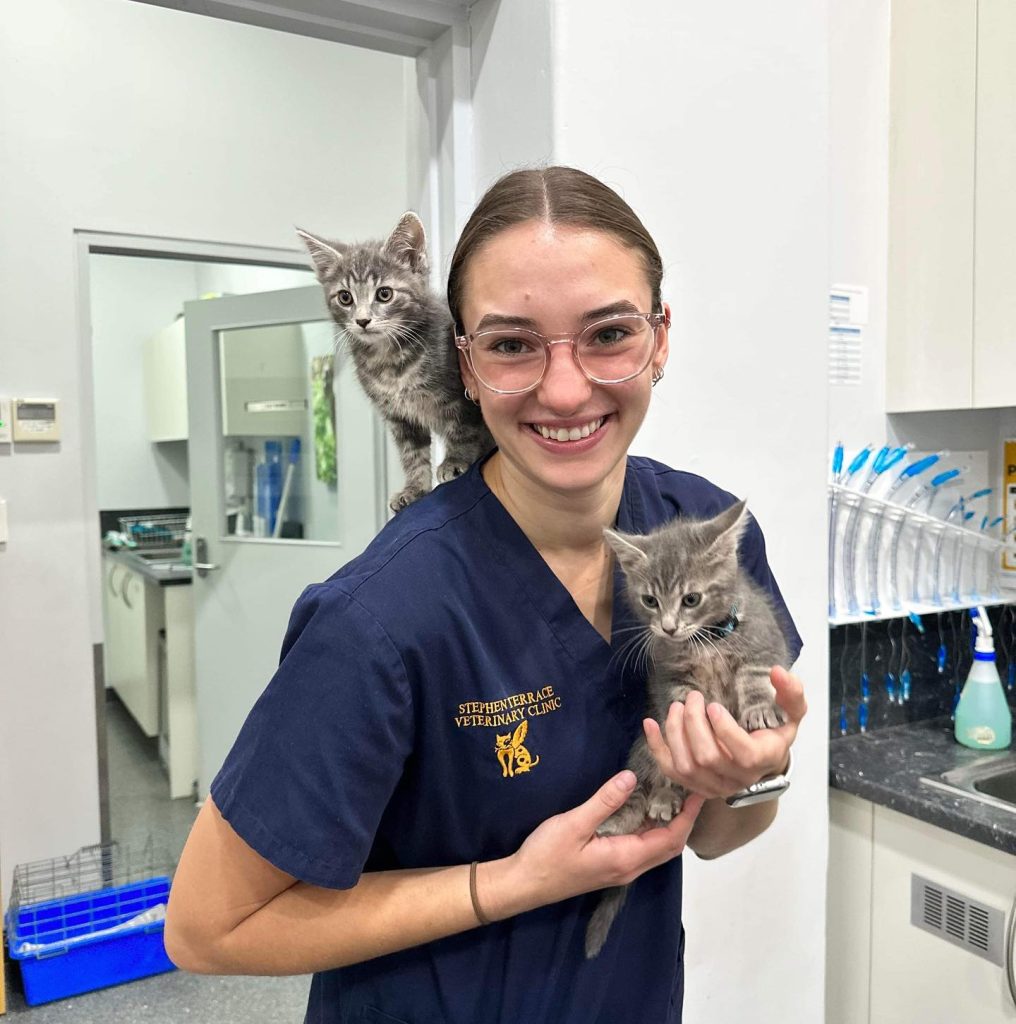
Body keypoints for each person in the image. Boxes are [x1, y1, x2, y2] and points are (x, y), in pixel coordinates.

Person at [165, 166, 806, 1023]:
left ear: (661, 339)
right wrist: (511, 884)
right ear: (461, 363)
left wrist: (754, 775)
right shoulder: (383, 616)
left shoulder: (710, 538)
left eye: (609, 333)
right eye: (511, 344)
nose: (566, 388)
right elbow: (207, 928)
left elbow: (722, 833)